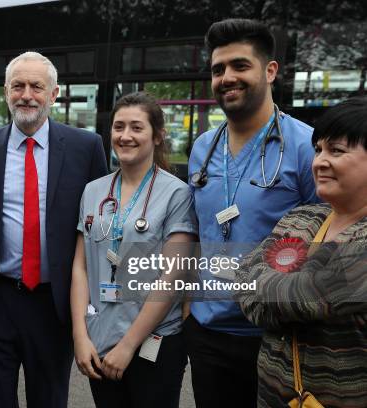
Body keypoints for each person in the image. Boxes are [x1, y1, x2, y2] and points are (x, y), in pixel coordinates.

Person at [185, 18, 319, 407]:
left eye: (240, 65)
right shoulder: (203, 148)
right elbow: (194, 231)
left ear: (270, 70)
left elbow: (330, 238)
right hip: (208, 335)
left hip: (274, 337)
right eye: (218, 69)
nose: (227, 77)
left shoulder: (306, 147)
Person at [0, 51, 108, 407]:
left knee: (49, 400)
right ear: (5, 91)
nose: (26, 94)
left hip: (54, 304)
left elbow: (101, 225)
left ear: (54, 94)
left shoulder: (85, 148)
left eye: (36, 86)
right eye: (18, 86)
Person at [235, 97, 367, 408]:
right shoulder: (302, 218)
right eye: (318, 149)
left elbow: (308, 297)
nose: (320, 161)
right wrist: (265, 284)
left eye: (336, 151)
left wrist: (262, 281)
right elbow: (243, 280)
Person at [71, 92, 197, 408]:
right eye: (119, 127)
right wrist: (80, 336)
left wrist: (128, 346)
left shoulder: (176, 194)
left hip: (153, 344)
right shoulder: (93, 191)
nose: (125, 136)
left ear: (157, 136)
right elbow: (80, 268)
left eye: (137, 128)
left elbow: (171, 278)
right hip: (100, 338)